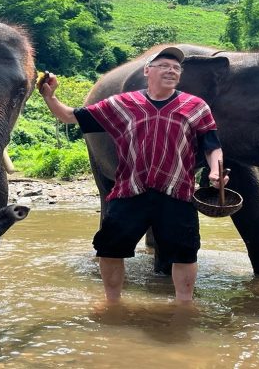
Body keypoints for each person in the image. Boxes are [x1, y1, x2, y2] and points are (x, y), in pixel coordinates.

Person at [37, 47, 227, 304]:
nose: (171, 71)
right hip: (130, 190)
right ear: (147, 71)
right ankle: (112, 302)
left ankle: (184, 305)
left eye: (176, 68)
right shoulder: (122, 104)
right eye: (164, 66)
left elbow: (212, 145)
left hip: (177, 192)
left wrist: (215, 170)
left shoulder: (196, 106)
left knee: (185, 254)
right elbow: (71, 116)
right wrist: (50, 97)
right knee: (109, 250)